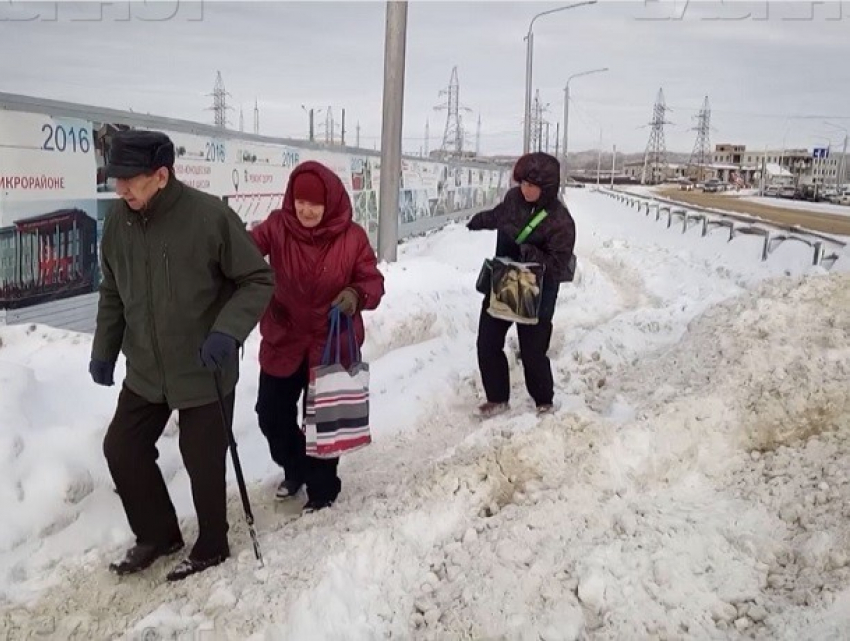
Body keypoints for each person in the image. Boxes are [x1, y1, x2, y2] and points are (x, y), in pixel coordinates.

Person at [89, 130, 275, 581]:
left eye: (130, 180)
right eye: (116, 180)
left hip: (203, 366)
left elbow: (258, 279)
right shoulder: (119, 222)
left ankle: (213, 543)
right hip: (148, 368)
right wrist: (104, 350)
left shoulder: (210, 217)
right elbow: (114, 289)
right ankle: (158, 534)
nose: (120, 190)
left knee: (202, 455)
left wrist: (227, 333)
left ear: (161, 175)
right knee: (122, 448)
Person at [250, 160, 385, 512]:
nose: (306, 210)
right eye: (300, 202)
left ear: (330, 202)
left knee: (323, 422)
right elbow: (245, 250)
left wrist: (356, 294)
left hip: (330, 343)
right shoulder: (278, 226)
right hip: (285, 338)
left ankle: (323, 489)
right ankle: (295, 468)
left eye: (314, 203)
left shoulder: (352, 237)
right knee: (271, 414)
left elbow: (373, 281)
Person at [466, 152, 576, 418]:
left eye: (531, 185)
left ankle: (543, 401)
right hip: (505, 279)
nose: (524, 189)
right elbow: (500, 216)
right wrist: (480, 221)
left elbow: (558, 266)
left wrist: (531, 253)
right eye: (521, 183)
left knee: (533, 351)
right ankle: (497, 398)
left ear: (547, 188)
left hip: (538, 291)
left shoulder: (560, 221)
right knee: (488, 342)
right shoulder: (514, 199)